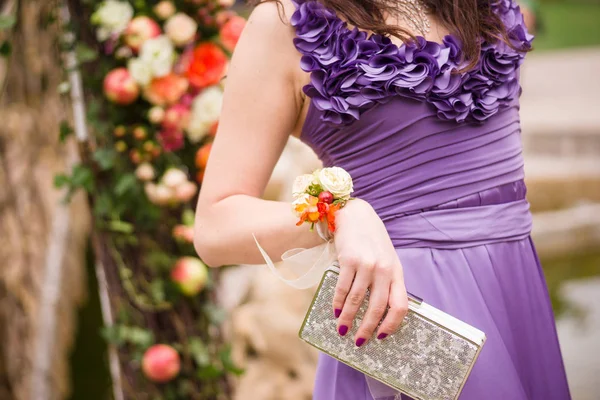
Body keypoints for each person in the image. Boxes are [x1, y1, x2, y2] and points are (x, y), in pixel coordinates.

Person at [193, 0, 571, 398]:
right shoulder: (283, 25)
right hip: (404, 316)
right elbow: (216, 227)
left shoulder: (489, 6)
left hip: (514, 288)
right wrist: (340, 215)